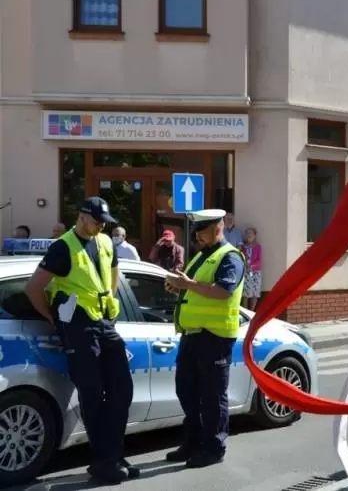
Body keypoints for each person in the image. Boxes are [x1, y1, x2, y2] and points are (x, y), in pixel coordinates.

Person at [24, 197, 137, 484]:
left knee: (122, 389)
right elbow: (34, 288)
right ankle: (103, 462)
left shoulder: (106, 242)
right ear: (82, 216)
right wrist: (52, 318)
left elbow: (113, 276)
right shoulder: (63, 247)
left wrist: (108, 304)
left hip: (104, 322)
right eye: (97, 221)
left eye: (105, 222)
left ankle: (113, 454)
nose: (101, 226)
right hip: (78, 327)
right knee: (92, 393)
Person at [164, 209, 246, 468]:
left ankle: (213, 448)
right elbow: (194, 289)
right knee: (187, 391)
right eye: (196, 230)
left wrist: (187, 285)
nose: (197, 235)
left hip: (215, 337)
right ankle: (194, 442)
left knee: (212, 396)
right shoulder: (202, 256)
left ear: (218, 228)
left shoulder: (230, 256)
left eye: (202, 230)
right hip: (192, 335)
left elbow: (223, 291)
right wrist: (178, 287)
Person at [239, 227, 263, 310]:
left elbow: (259, 260)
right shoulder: (243, 246)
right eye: (247, 233)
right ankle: (246, 311)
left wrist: (251, 266)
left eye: (251, 233)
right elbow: (240, 257)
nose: (249, 235)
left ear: (254, 235)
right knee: (245, 294)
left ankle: (252, 312)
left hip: (255, 272)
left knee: (255, 293)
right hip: (245, 271)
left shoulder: (258, 246)